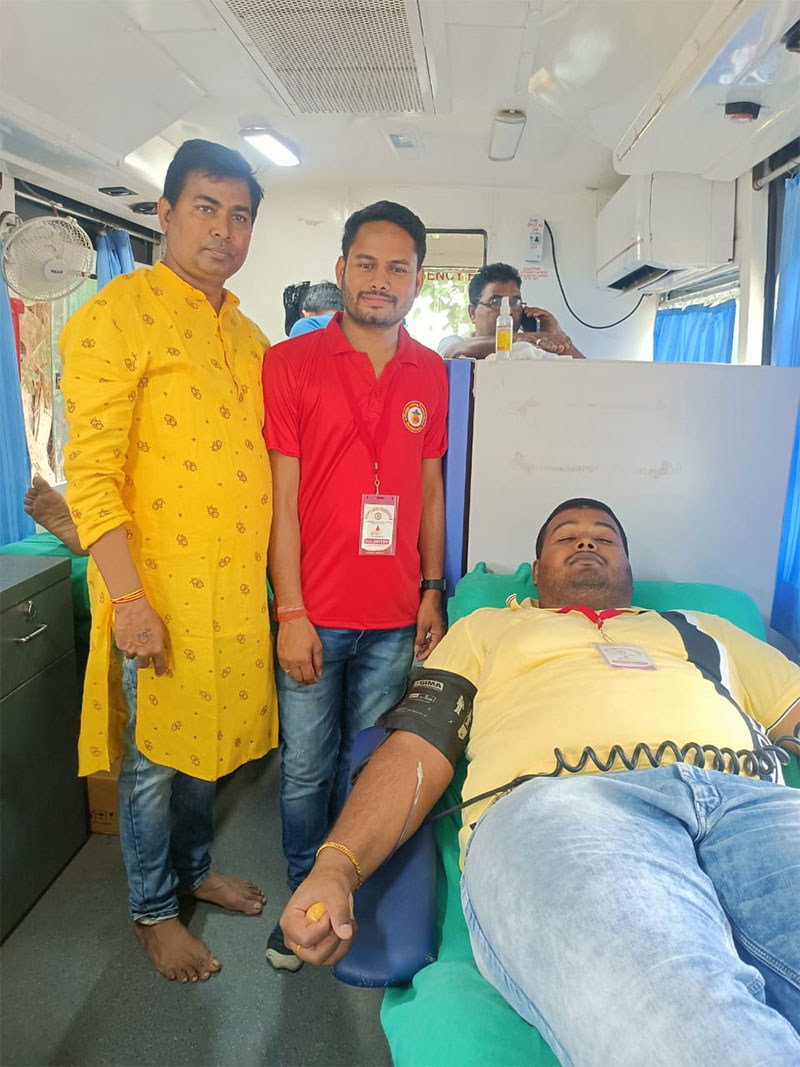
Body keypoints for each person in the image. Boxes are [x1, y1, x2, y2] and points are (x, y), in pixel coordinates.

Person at [279, 497, 800, 1065]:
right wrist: (336, 867)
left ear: (628, 569)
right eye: (566, 536)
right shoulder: (489, 629)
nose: (586, 541)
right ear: (536, 570)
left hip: (750, 803)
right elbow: (415, 747)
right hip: (566, 809)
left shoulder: (703, 629)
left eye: (605, 537)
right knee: (684, 1019)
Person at [60, 139, 279, 984]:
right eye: (205, 208)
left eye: (240, 214)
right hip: (153, 593)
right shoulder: (115, 315)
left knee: (204, 751)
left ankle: (193, 871)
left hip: (231, 595)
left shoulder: (251, 338)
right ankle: (154, 910)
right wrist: (128, 599)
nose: (224, 230)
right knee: (154, 764)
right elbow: (91, 473)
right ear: (165, 213)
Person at [262, 200, 449, 970]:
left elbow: (430, 490)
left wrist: (433, 587)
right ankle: (302, 901)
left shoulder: (431, 371)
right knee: (306, 765)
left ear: (418, 280)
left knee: (367, 762)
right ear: (340, 269)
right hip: (315, 610)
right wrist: (290, 610)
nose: (380, 280)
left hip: (395, 614)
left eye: (397, 268)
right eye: (366, 264)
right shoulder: (290, 363)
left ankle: (351, 888)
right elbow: (281, 500)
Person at [438, 262, 585, 359]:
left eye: (515, 302)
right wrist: (522, 338)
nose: (508, 311)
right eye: (496, 302)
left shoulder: (530, 351)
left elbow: (587, 375)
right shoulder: (456, 342)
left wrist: (557, 335)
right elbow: (453, 352)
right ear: (472, 313)